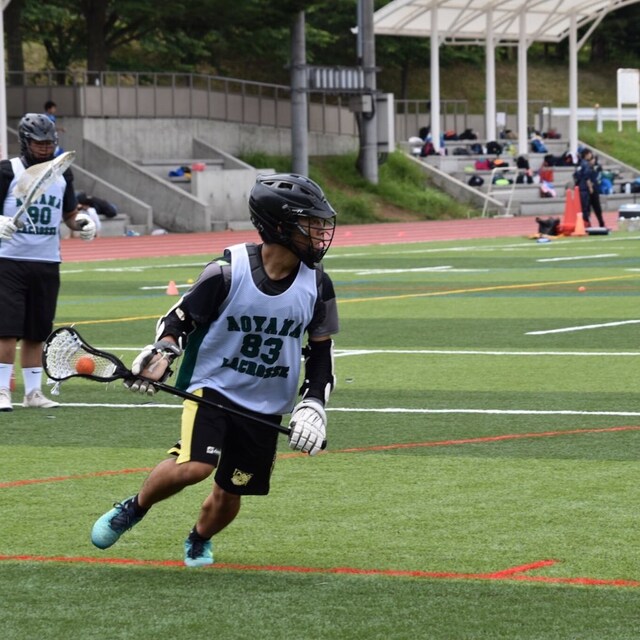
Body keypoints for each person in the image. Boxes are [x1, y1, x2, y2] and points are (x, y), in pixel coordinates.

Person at [90, 173, 339, 567]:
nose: (320, 233)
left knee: (230, 490)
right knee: (195, 466)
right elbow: (178, 320)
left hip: (267, 399)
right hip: (213, 386)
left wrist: (313, 404)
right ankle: (133, 508)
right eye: (310, 224)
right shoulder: (227, 271)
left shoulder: (318, 284)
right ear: (278, 226)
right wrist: (163, 353)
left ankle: (199, 537)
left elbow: (322, 352)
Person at [0, 113, 97, 411]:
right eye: (38, 143)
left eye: (48, 143)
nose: (44, 148)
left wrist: (83, 222)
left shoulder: (62, 173)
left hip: (46, 261)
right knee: (7, 330)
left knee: (37, 331)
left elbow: (69, 215)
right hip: (9, 260)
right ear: (25, 142)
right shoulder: (8, 171)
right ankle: (1, 390)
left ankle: (33, 393)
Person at [575, 148, 606, 228]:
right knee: (586, 208)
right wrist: (590, 186)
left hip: (591, 187)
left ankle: (600, 222)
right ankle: (588, 224)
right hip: (587, 188)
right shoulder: (584, 164)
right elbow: (584, 176)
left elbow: (598, 173)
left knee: (595, 207)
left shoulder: (594, 165)